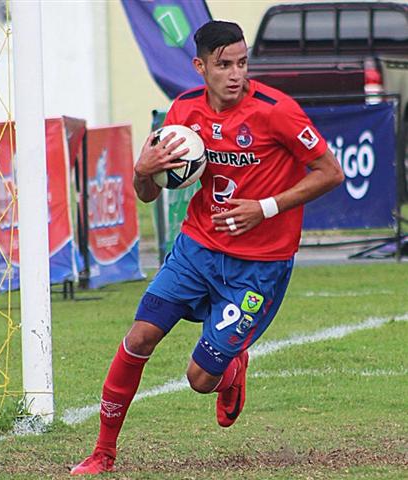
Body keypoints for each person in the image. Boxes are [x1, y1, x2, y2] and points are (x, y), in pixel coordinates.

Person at [71, 20, 344, 475]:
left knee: (200, 380)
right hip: (196, 249)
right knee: (139, 337)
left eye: (242, 63)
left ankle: (231, 368)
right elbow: (147, 193)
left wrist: (266, 207)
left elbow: (330, 172)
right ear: (200, 66)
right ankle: (103, 452)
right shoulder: (183, 112)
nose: (236, 74)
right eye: (224, 65)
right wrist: (143, 169)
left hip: (259, 265)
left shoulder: (277, 111)